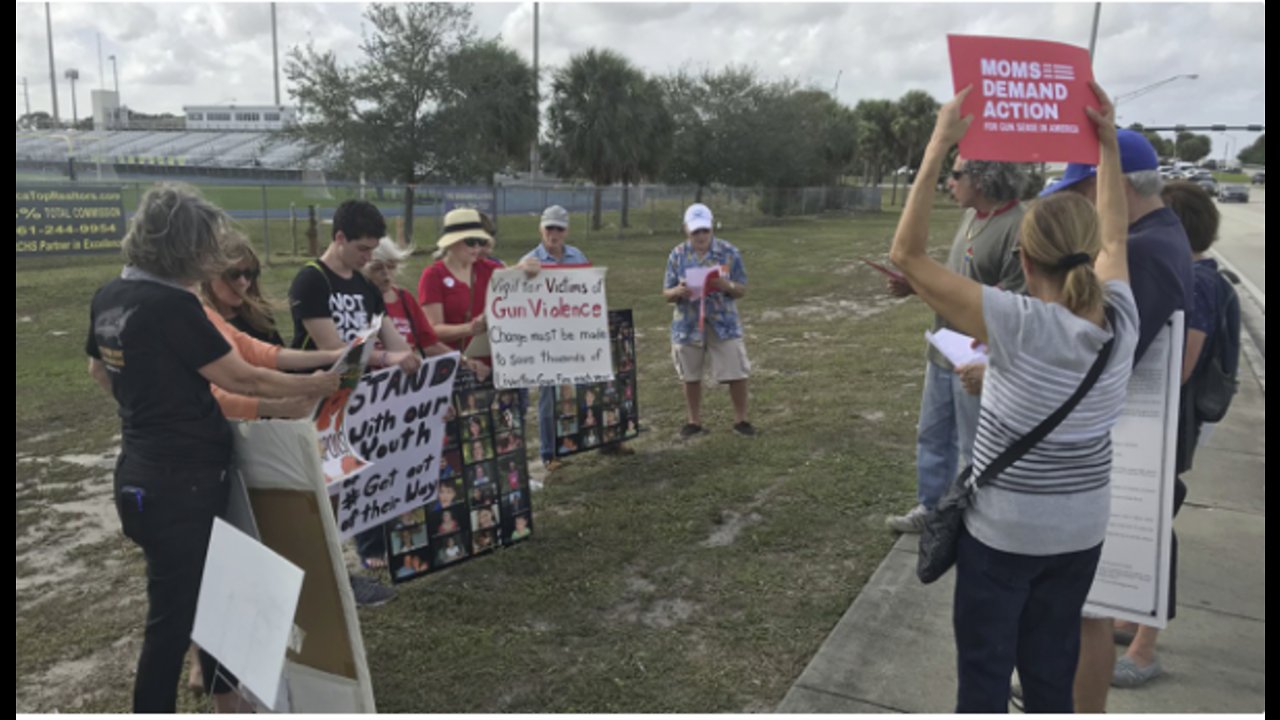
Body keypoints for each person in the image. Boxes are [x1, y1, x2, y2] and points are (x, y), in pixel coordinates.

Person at [889, 85, 1138, 712]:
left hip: (1005, 535)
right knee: (1051, 671)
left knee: (984, 672)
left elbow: (906, 257)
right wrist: (1107, 144)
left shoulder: (1018, 324)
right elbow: (1115, 237)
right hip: (1082, 529)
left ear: (1024, 263)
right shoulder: (1122, 317)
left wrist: (939, 143)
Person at [86, 183, 338, 713]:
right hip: (183, 483)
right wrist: (317, 386)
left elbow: (100, 372)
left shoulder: (111, 295)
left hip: (143, 467)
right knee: (172, 622)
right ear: (185, 247)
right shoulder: (173, 304)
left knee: (213, 593)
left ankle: (227, 698)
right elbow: (243, 378)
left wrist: (151, 407)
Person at [1039, 130, 1196, 712]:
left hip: (1125, 444)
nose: (1079, 206)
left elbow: (1099, 352)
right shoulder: (1154, 236)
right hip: (1128, 435)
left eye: (1083, 191)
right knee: (1089, 602)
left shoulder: (1147, 251)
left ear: (1114, 186)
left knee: (1088, 602)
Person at [1107, 180, 1226, 689]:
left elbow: (1181, 366)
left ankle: (1145, 647)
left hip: (1169, 427)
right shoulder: (1200, 273)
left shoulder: (1197, 281)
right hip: (1165, 426)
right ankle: (1132, 616)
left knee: (1155, 529)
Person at [884, 157, 1029, 533]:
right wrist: (916, 285)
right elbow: (958, 285)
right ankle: (931, 508)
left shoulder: (1019, 228)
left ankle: (970, 520)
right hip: (943, 349)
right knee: (932, 434)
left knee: (972, 444)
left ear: (981, 180)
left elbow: (1014, 302)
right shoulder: (971, 217)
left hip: (978, 359)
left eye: (957, 174)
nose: (950, 182)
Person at [288, 199, 422, 605]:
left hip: (358, 404)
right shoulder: (311, 281)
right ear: (340, 238)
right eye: (363, 249)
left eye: (374, 249)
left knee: (345, 489)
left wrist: (413, 361)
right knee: (320, 492)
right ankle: (319, 573)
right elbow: (334, 351)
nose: (369, 258)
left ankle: (334, 570)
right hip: (315, 402)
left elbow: (392, 339)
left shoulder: (365, 287)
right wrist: (387, 358)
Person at [520, 205, 635, 470]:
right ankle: (550, 454)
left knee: (598, 385)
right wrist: (521, 273)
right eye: (550, 227)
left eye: (559, 228)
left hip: (579, 335)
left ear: (566, 230)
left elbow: (590, 293)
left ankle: (608, 438)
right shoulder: (529, 261)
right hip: (547, 339)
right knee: (549, 395)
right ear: (541, 229)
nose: (554, 233)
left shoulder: (577, 256)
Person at [662, 203, 755, 438]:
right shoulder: (677, 255)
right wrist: (678, 292)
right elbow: (666, 292)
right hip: (688, 324)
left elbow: (742, 289)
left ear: (711, 228)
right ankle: (693, 422)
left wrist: (726, 285)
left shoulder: (729, 252)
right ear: (686, 230)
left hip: (723, 323)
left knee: (736, 370)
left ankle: (741, 420)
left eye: (704, 230)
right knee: (690, 374)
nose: (701, 236)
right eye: (695, 231)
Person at [417, 207, 498, 354]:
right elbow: (431, 331)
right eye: (470, 242)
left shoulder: (491, 270)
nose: (477, 248)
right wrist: (469, 329)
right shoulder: (433, 276)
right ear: (452, 243)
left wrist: (529, 269)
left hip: (491, 364)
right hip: (452, 364)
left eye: (480, 241)